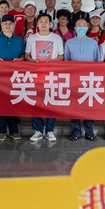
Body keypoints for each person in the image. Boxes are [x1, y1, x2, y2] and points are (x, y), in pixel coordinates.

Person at [0, 15, 26, 141]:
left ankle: (14, 131)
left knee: (14, 102)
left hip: (15, 77)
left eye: (10, 23)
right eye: (5, 23)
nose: (8, 26)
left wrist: (20, 59)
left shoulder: (19, 40)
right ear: (1, 25)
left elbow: (23, 55)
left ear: (14, 25)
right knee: (1, 104)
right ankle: (2, 131)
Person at [25, 13, 64, 142]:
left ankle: (50, 130)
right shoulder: (32, 38)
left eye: (46, 21)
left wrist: (52, 62)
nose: (43, 23)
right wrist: (32, 61)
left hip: (51, 75)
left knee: (50, 102)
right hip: (35, 75)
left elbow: (61, 56)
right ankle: (37, 130)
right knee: (35, 102)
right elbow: (27, 55)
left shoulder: (57, 38)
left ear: (50, 24)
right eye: (41, 21)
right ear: (37, 24)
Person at [65, 19, 100, 141]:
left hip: (89, 80)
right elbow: (66, 61)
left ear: (87, 27)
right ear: (74, 28)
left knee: (88, 106)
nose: (81, 26)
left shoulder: (93, 43)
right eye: (78, 24)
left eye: (84, 25)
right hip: (74, 79)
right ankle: (75, 131)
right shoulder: (69, 43)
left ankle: (89, 132)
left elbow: (97, 61)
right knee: (74, 105)